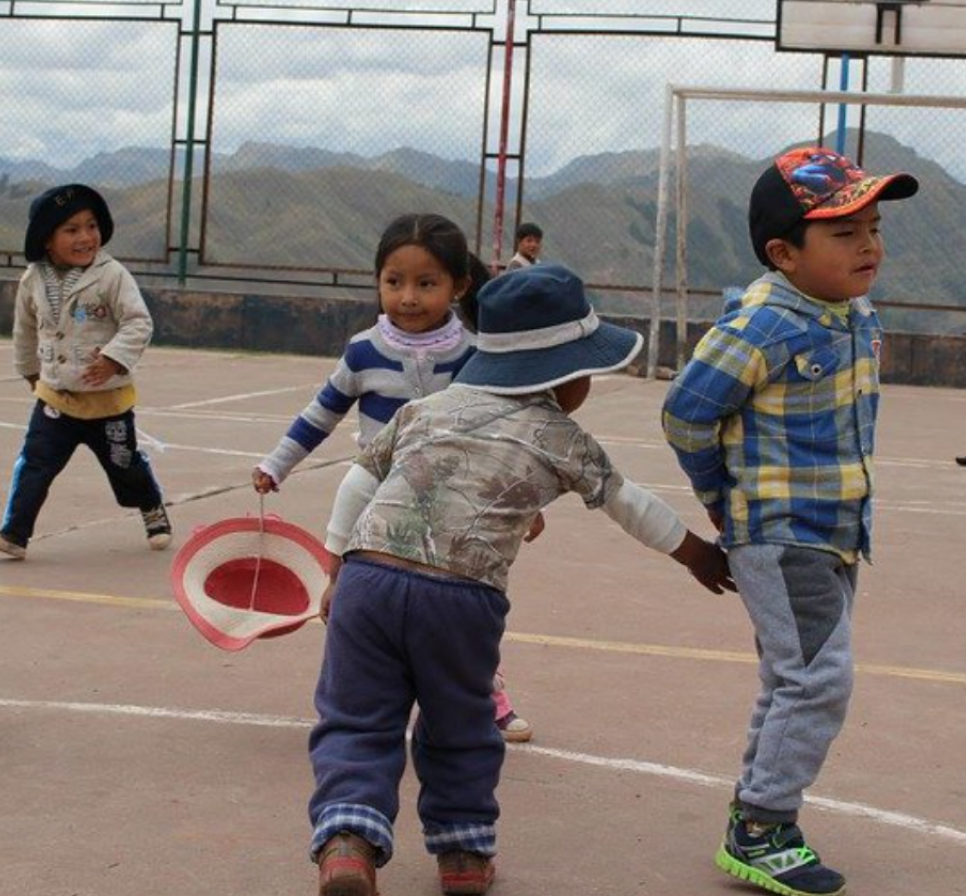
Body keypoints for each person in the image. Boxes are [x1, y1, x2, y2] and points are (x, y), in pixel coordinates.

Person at [308, 262, 735, 896]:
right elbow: (632, 505)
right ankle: (462, 854)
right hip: (462, 597)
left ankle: (348, 841)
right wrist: (699, 554)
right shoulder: (563, 437)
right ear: (564, 377)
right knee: (460, 723)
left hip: (369, 576)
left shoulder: (428, 409)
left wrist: (337, 565)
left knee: (356, 716)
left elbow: (357, 482)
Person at [662, 147, 919, 896]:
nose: (869, 244)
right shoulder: (766, 323)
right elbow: (685, 415)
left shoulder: (855, 312)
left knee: (795, 675)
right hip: (783, 532)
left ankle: (757, 814)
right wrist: (724, 503)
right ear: (784, 252)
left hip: (838, 531)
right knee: (820, 679)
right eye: (844, 233)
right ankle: (763, 826)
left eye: (872, 227)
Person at [252, 212, 534, 743]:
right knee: (353, 601)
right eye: (394, 282)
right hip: (378, 500)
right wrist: (276, 463)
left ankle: (485, 694)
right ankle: (351, 698)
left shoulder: (475, 354)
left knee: (467, 605)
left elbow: (503, 432)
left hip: (455, 503)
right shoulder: (363, 350)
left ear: (459, 286)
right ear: (378, 281)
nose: (408, 297)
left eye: (426, 284)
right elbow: (321, 413)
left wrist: (526, 504)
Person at [0, 183, 172, 561]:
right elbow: (25, 330)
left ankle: (151, 507)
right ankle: (14, 532)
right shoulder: (33, 279)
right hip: (55, 400)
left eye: (91, 226)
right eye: (71, 229)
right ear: (47, 239)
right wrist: (30, 372)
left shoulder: (112, 276)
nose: (85, 237)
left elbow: (138, 323)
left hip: (107, 404)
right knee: (34, 464)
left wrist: (114, 358)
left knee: (125, 466)